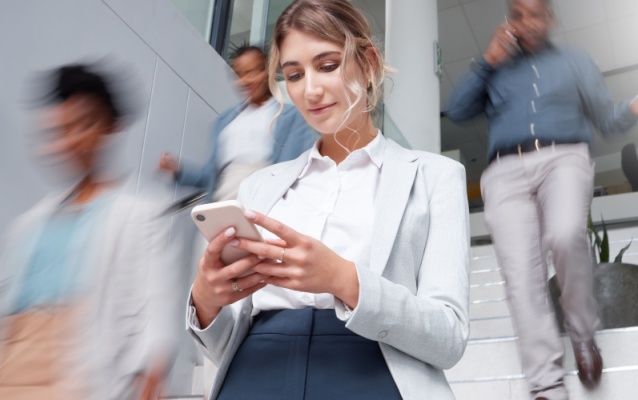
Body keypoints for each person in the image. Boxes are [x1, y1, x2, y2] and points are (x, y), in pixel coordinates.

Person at [186, 1, 470, 399]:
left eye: (328, 65)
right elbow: (224, 342)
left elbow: (449, 337)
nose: (311, 90)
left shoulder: (435, 177)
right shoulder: (260, 186)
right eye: (295, 75)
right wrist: (206, 300)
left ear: (368, 63)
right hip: (256, 371)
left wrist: (342, 279)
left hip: (372, 372)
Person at [445, 0, 638, 399]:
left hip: (563, 157)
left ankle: (582, 334)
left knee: (566, 236)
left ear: (550, 18)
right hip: (504, 172)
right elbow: (458, 110)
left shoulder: (575, 61)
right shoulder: (496, 69)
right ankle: (546, 385)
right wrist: (486, 61)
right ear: (509, 20)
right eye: (517, 14)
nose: (526, 22)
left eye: (535, 13)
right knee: (521, 278)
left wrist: (631, 106)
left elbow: (604, 115)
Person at [0, 64, 179, 399]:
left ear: (111, 126)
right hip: (14, 366)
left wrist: (152, 371)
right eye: (61, 129)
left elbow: (158, 303)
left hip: (82, 372)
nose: (71, 139)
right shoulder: (29, 223)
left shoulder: (144, 214)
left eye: (84, 124)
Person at [159, 44, 316, 202]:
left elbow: (292, 171)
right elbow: (210, 177)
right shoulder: (224, 122)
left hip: (260, 206)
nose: (244, 81)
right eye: (238, 75)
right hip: (221, 206)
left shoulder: (289, 117)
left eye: (251, 73)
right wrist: (179, 171)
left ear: (267, 72)